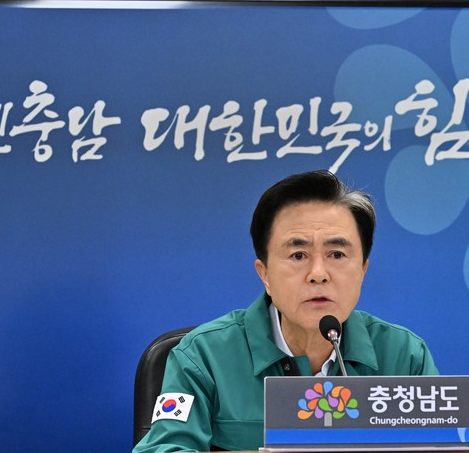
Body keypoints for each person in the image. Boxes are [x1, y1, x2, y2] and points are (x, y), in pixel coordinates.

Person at [133, 170, 438, 453]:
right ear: (264, 273)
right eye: (298, 255)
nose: (318, 274)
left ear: (362, 270)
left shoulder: (404, 356)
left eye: (336, 254)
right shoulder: (203, 357)